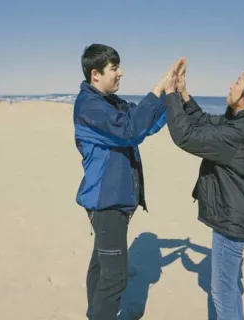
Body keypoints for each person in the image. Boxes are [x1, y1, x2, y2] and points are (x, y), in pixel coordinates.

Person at [73, 43, 181, 320]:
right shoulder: (90, 107)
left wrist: (172, 95)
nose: (121, 73)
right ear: (95, 74)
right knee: (115, 278)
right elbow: (130, 129)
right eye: (114, 68)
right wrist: (157, 88)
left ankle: (94, 313)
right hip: (106, 202)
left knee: (101, 263)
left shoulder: (111, 103)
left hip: (116, 199)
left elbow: (144, 124)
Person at [164, 58, 244, 320]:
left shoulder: (240, 133)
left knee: (222, 294)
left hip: (232, 222)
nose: (231, 85)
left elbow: (186, 136)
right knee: (231, 289)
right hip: (240, 216)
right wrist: (183, 93)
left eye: (238, 82)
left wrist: (169, 93)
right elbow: (203, 121)